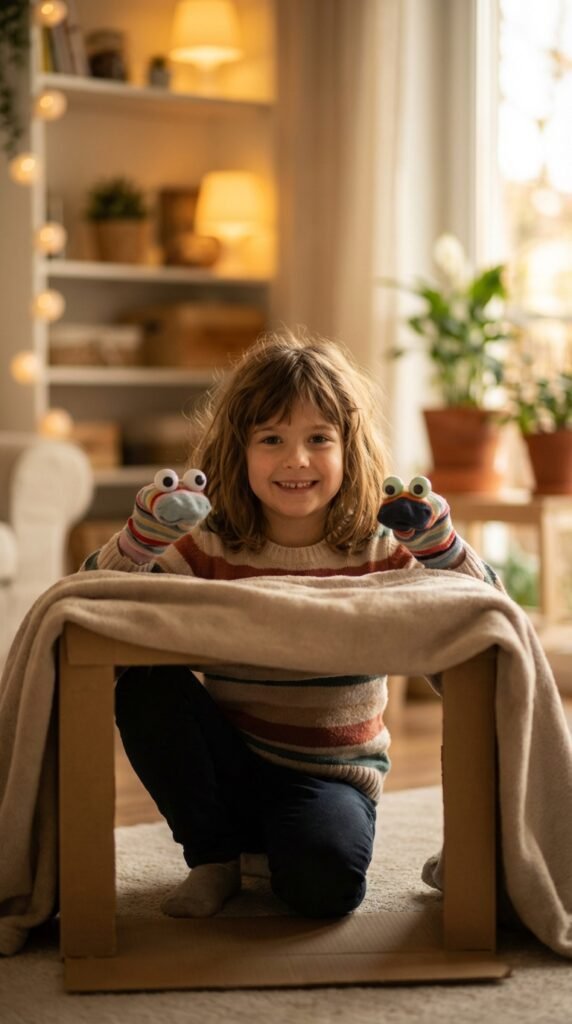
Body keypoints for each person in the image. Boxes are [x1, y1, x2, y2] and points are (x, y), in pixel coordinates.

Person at [82, 330, 502, 920]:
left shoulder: (380, 546)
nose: (296, 459)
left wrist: (444, 551)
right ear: (240, 450)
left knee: (322, 891)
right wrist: (141, 541)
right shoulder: (209, 545)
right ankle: (214, 857)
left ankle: (274, 847)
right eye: (271, 438)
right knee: (145, 679)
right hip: (229, 764)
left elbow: (490, 620)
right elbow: (90, 604)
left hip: (330, 778)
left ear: (348, 448)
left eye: (318, 439)